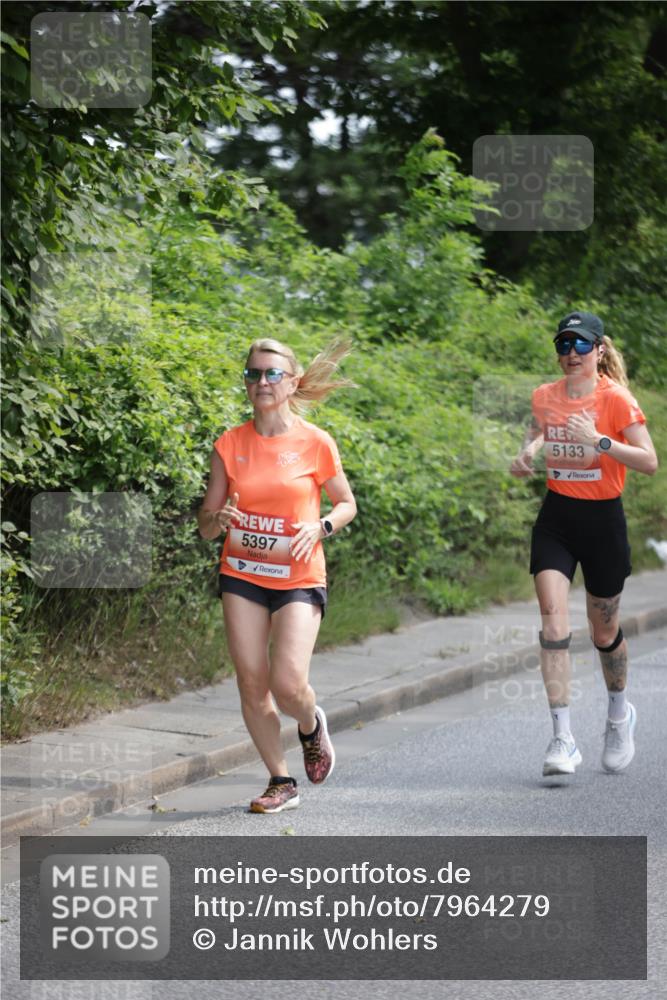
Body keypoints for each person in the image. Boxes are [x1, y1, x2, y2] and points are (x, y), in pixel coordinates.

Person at [197, 338, 357, 813]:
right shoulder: (230, 443)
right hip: (243, 572)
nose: (261, 383)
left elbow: (346, 504)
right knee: (252, 681)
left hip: (298, 574)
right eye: (252, 374)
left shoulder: (315, 441)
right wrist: (218, 519)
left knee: (288, 683)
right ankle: (280, 780)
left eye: (271, 374)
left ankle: (310, 725)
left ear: (291, 381)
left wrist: (322, 525)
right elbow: (206, 527)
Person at [510, 311, 658, 778]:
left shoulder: (616, 401)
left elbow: (650, 461)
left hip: (603, 522)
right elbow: (540, 429)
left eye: (580, 345)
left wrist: (601, 442)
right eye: (564, 345)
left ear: (598, 350)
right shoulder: (545, 395)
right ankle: (563, 738)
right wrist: (529, 451)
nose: (570, 354)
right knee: (553, 621)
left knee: (602, 632)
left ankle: (619, 715)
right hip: (557, 517)